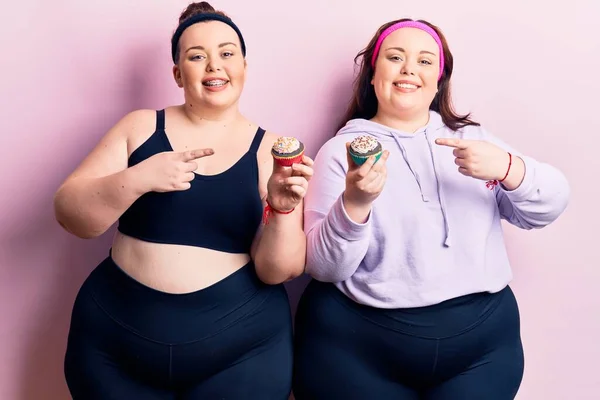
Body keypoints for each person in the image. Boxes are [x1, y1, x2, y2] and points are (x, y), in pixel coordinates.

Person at [292, 18, 569, 399]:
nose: (409, 68)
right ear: (373, 75)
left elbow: (548, 207)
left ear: (438, 80)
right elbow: (324, 268)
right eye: (395, 57)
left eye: (424, 61)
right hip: (360, 349)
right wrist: (354, 205)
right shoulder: (341, 152)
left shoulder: (473, 140)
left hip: (480, 350)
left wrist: (508, 168)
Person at [54, 2, 313, 399]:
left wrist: (280, 208)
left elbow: (279, 270)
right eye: (197, 56)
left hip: (239, 352)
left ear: (244, 66)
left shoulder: (272, 152)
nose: (214, 65)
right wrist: (139, 177)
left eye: (227, 53)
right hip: (116, 343)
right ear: (178, 73)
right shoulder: (139, 127)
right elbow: (71, 214)